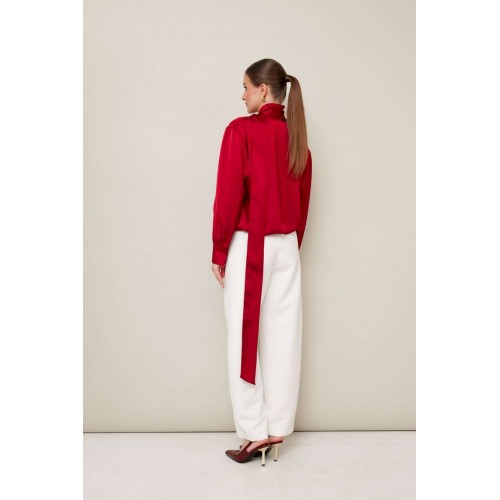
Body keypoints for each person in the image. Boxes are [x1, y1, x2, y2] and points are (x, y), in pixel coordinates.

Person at [211, 58, 312, 466]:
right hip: (287, 247)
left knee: (244, 338)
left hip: (250, 245)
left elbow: (228, 196)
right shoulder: (298, 139)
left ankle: (254, 432)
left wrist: (219, 250)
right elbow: (303, 205)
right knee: (284, 336)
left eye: (245, 87)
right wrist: (288, 247)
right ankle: (277, 427)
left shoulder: (241, 131)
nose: (242, 95)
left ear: (263, 90)